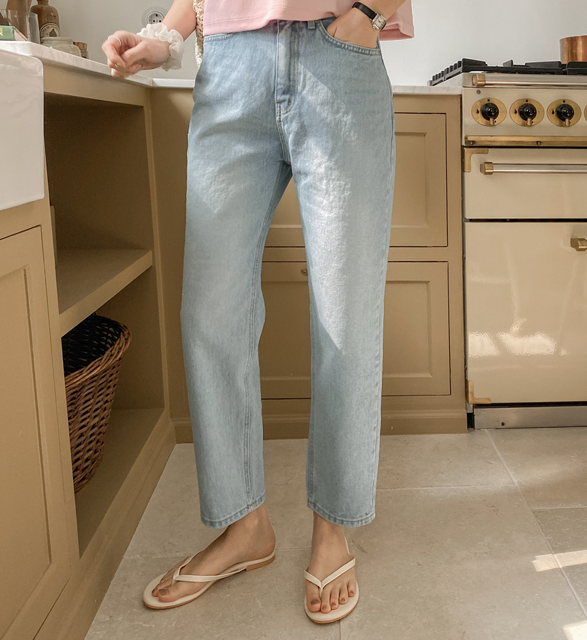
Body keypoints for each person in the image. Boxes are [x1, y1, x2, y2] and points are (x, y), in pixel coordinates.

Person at [102, 0, 413, 624]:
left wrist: (367, 14)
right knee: (210, 313)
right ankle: (246, 527)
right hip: (229, 68)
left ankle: (332, 528)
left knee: (346, 319)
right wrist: (165, 37)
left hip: (339, 57)